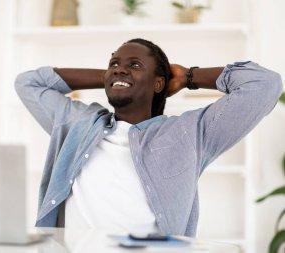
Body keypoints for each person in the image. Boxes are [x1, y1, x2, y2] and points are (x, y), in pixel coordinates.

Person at [15, 38, 282, 236]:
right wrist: (113, 77)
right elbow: (28, 83)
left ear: (158, 84)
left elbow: (264, 85)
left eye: (135, 65)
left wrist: (188, 76)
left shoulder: (190, 133)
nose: (119, 68)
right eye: (114, 64)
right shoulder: (78, 124)